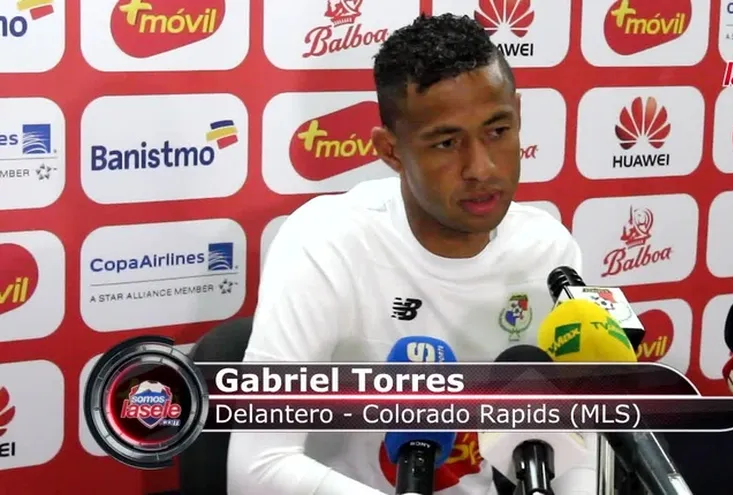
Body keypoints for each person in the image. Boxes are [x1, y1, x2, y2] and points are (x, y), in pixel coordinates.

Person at [227, 13, 595, 495]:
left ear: (519, 117)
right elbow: (255, 469)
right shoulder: (326, 242)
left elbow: (575, 448)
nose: (481, 167)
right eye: (446, 143)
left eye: (498, 131)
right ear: (390, 150)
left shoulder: (550, 251)